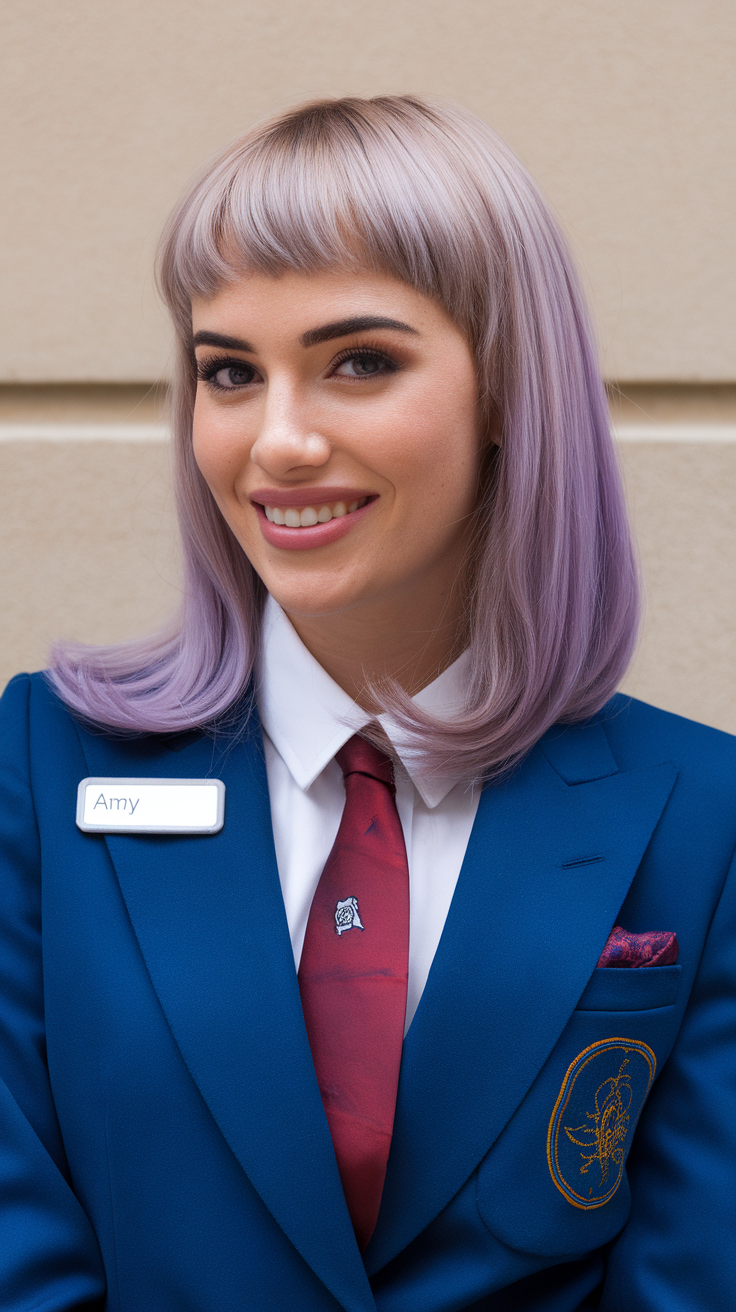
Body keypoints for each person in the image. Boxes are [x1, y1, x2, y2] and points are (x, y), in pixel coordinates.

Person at [0, 95, 734, 1312]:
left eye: (359, 362)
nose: (278, 440)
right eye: (230, 372)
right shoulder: (35, 765)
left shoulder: (704, 819)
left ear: (508, 390)